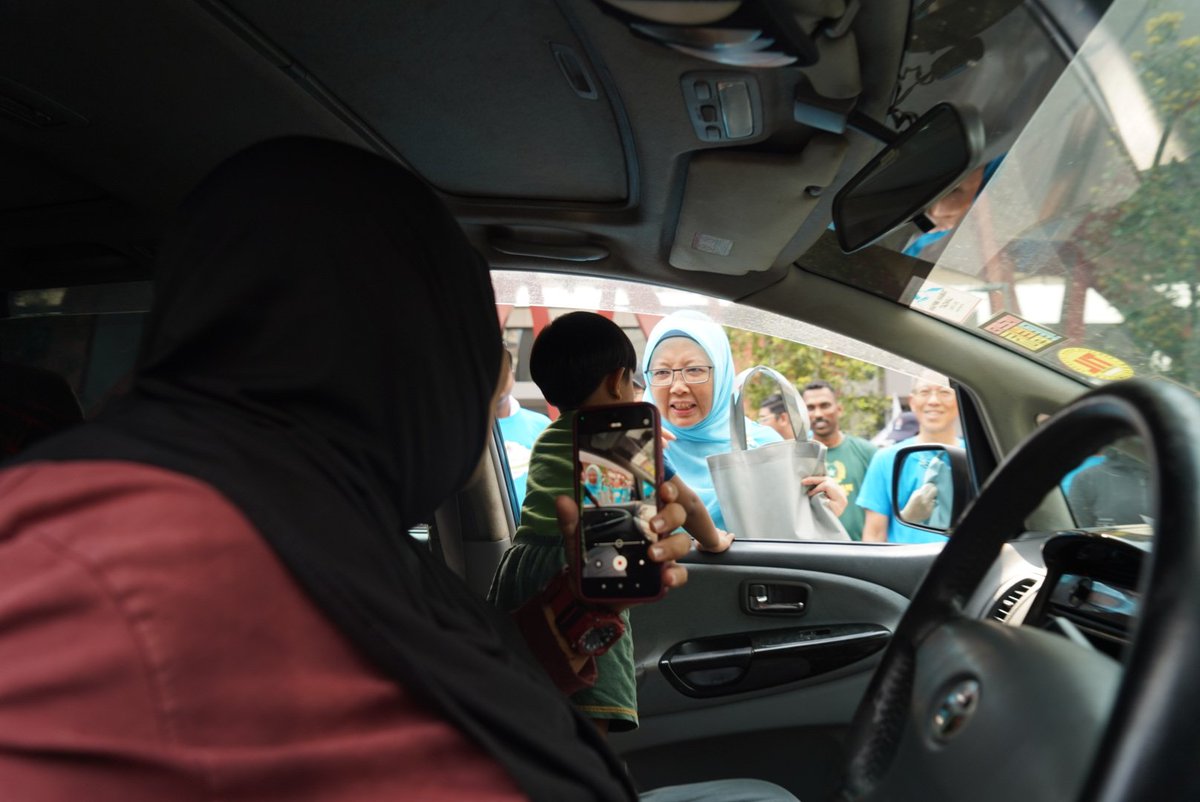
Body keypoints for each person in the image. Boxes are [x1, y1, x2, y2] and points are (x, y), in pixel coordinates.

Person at [0, 138, 797, 802]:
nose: (492, 405)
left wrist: (575, 608)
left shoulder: (321, 523)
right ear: (402, 346)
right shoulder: (102, 551)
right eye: (473, 356)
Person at [488, 311, 733, 735]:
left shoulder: (546, 434)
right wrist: (713, 540)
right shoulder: (623, 440)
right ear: (618, 380)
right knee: (592, 702)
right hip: (586, 571)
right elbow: (687, 503)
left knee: (531, 695)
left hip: (522, 567)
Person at [642, 311, 846, 533]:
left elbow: (789, 536)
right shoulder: (637, 448)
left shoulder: (762, 447)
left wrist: (820, 511)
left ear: (722, 374)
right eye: (662, 372)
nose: (678, 386)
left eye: (694, 370)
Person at [857, 374, 962, 543]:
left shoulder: (977, 456)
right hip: (907, 567)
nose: (934, 401)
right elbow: (874, 536)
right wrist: (908, 516)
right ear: (912, 402)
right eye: (925, 392)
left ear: (959, 402)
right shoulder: (885, 459)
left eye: (944, 392)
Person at [801, 381, 877, 541]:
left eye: (825, 405)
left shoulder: (867, 452)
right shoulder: (799, 456)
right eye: (810, 408)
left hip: (861, 552)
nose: (818, 414)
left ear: (839, 409)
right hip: (815, 551)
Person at [496, 347, 551, 510]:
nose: (497, 378)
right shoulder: (470, 432)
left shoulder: (542, 426)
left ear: (511, 373)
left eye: (502, 370)